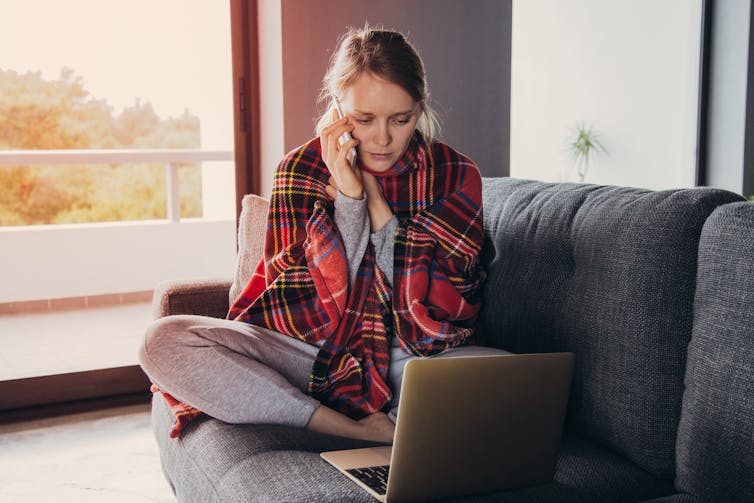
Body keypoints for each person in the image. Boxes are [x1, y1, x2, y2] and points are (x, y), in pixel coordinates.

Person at [139, 26, 504, 445]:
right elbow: (310, 301)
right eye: (364, 120)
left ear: (419, 109)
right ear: (337, 109)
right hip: (312, 352)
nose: (382, 139)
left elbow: (431, 309)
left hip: (409, 352)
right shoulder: (298, 171)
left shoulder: (455, 175)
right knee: (161, 341)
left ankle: (391, 414)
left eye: (401, 120)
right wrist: (347, 201)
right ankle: (352, 426)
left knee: (503, 376)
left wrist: (369, 197)